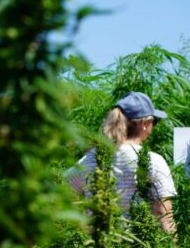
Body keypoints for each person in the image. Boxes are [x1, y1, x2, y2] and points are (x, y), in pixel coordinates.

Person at [69, 91, 177, 233]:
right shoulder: (154, 161)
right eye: (154, 122)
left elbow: (65, 199)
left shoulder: (89, 158)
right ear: (145, 123)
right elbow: (163, 213)